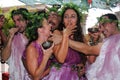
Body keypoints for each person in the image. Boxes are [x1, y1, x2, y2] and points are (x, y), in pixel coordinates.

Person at [43, 3, 87, 80]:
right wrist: (65, 35)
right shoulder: (57, 33)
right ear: (63, 21)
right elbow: (61, 59)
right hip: (59, 75)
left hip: (75, 76)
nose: (69, 19)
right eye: (66, 17)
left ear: (77, 20)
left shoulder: (81, 38)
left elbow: (88, 56)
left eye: (73, 16)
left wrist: (82, 66)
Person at [69, 13, 120, 80]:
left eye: (104, 24)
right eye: (100, 26)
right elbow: (91, 59)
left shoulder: (115, 41)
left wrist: (64, 39)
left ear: (114, 23)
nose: (101, 30)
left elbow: (88, 50)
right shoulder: (108, 40)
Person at [22, 10, 54, 80]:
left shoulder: (50, 43)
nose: (51, 25)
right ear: (40, 29)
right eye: (48, 23)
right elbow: (35, 77)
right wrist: (46, 57)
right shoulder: (32, 48)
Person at [1, 8, 29, 80]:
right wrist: (10, 37)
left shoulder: (36, 36)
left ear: (27, 20)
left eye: (19, 20)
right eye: (15, 21)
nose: (16, 24)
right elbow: (4, 58)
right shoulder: (13, 37)